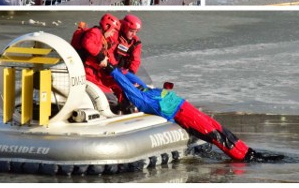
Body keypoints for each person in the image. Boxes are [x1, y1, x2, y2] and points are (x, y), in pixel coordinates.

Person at [105, 64, 284, 162]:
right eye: (133, 86)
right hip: (185, 116)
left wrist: (117, 66)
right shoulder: (141, 99)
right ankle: (243, 158)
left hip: (188, 109)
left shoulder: (145, 89)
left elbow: (130, 77)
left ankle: (249, 153)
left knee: (221, 129)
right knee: (215, 136)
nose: (135, 85)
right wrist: (111, 70)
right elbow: (126, 85)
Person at [73, 13, 122, 111]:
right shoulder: (95, 32)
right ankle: (112, 111)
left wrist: (116, 69)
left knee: (117, 85)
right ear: (107, 26)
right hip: (87, 73)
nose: (113, 34)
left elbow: (108, 54)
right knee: (111, 98)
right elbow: (87, 43)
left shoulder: (103, 38)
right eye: (113, 31)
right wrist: (101, 57)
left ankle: (121, 105)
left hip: (95, 72)